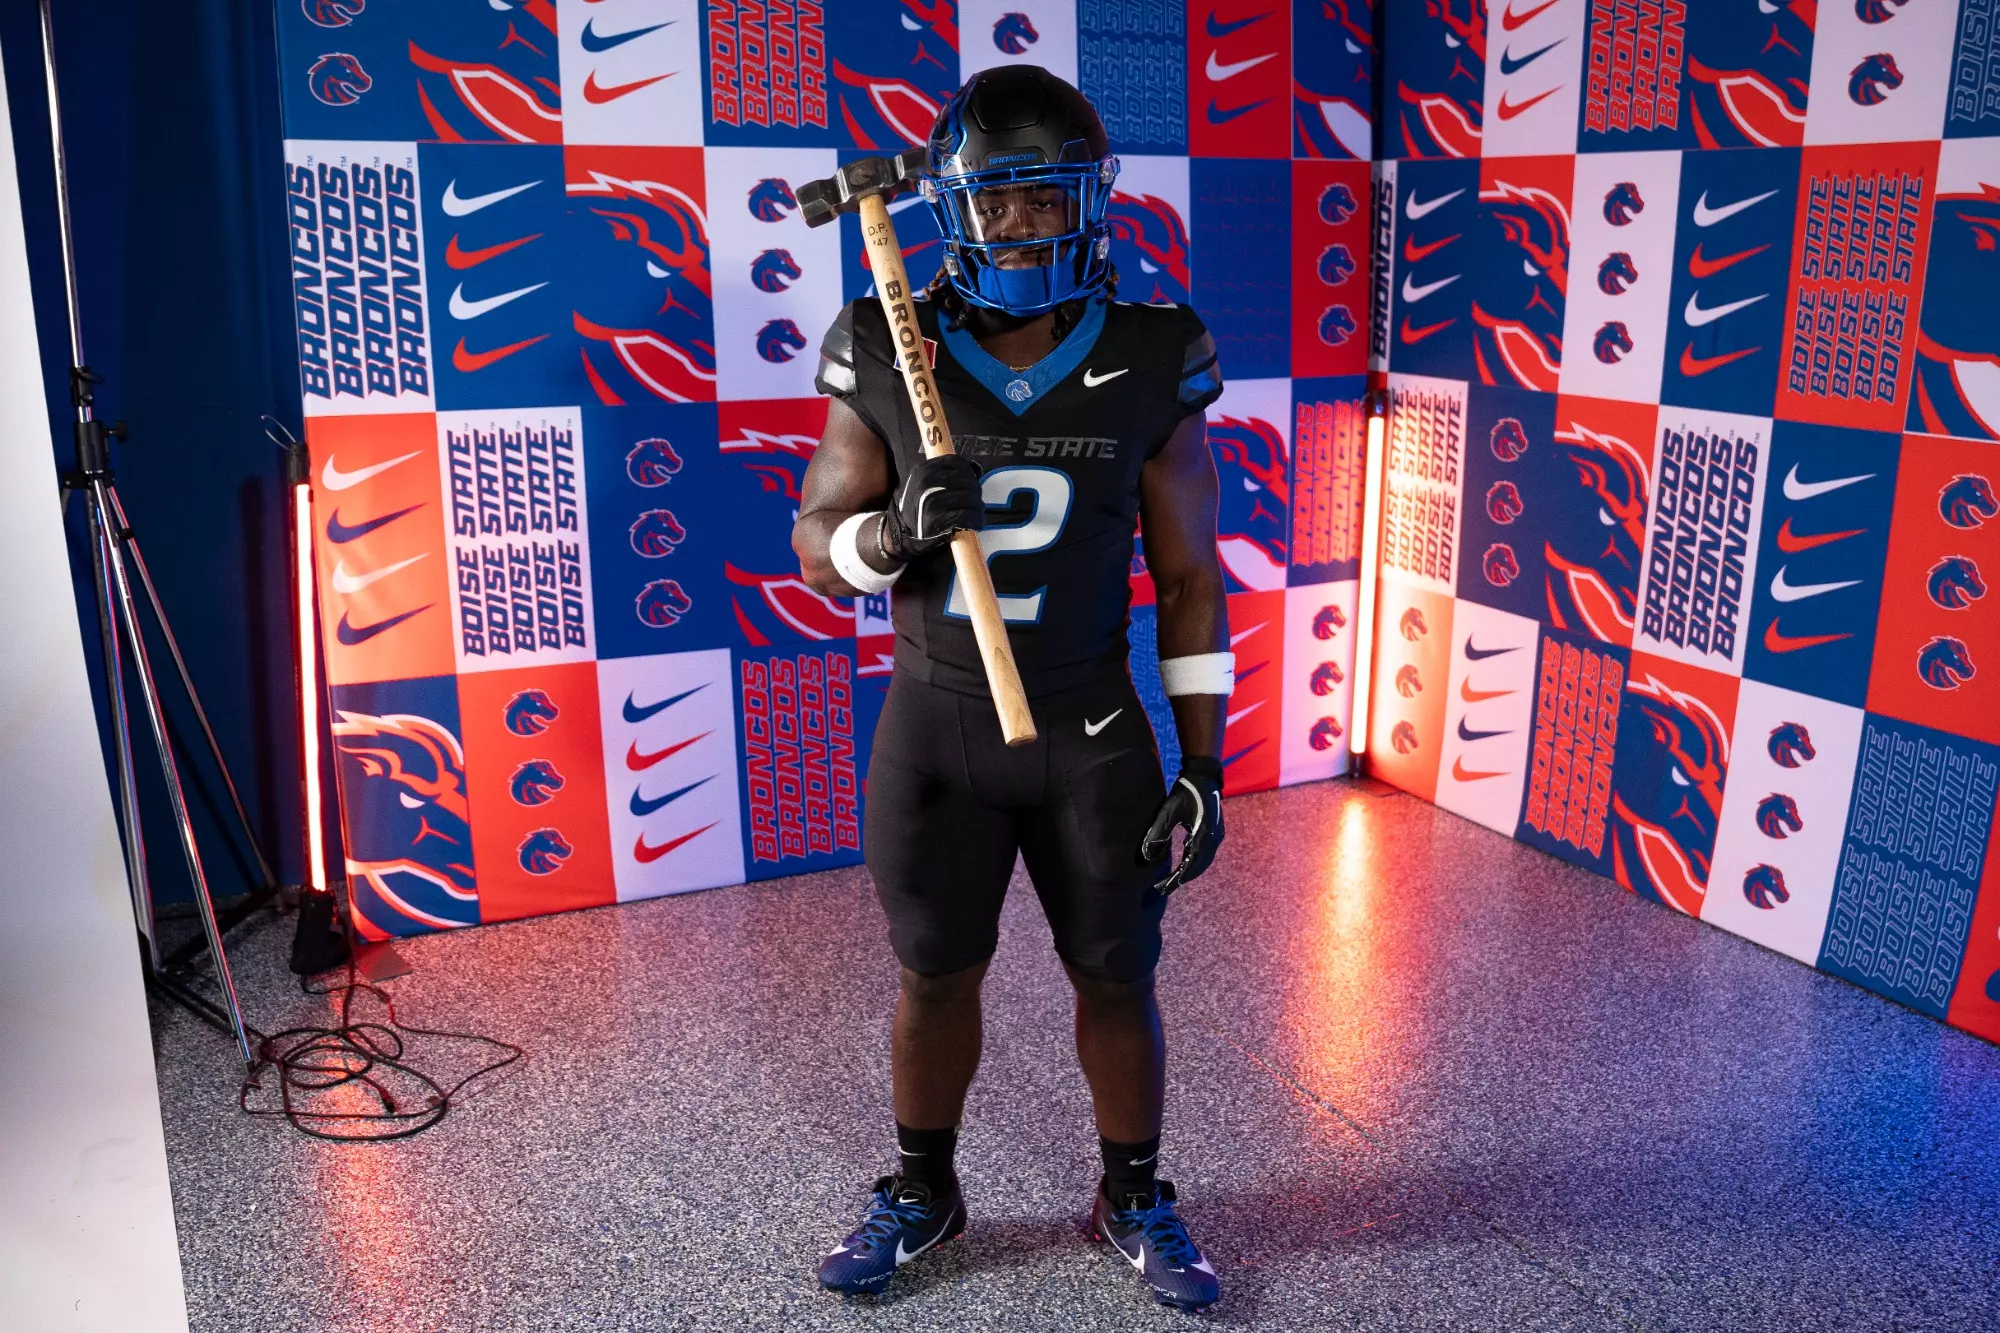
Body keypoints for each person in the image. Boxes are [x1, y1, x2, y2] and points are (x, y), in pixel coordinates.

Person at [790, 64, 1231, 1312]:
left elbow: (1191, 578)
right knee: (933, 970)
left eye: (1047, 202)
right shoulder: (889, 335)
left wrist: (1202, 761)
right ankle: (923, 1190)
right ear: (952, 213)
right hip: (934, 728)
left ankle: (1132, 1191)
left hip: (1092, 730)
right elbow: (816, 542)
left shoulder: (1154, 350)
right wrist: (889, 537)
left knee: (1115, 970)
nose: (1024, 227)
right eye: (999, 203)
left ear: (1090, 205)